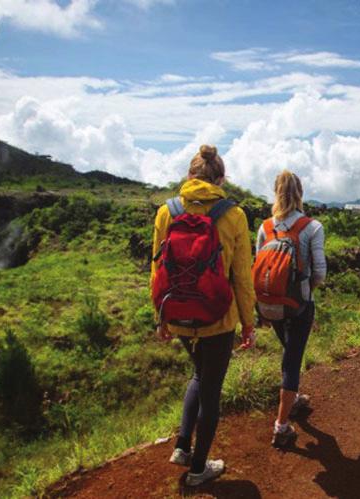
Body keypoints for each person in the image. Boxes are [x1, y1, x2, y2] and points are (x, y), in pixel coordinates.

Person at [151, 145, 256, 486]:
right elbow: (242, 276)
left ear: (189, 176)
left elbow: (156, 272)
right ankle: (198, 470)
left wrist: (161, 318)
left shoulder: (166, 212)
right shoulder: (234, 215)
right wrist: (248, 323)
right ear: (221, 179)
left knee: (199, 374)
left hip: (179, 315)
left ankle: (182, 446)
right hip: (218, 319)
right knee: (211, 390)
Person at [255, 170, 326, 448]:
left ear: (276, 192)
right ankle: (282, 425)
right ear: (300, 193)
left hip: (269, 305)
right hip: (298, 306)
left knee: (288, 350)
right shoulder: (312, 227)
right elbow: (319, 272)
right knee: (292, 361)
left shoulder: (264, 227)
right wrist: (305, 291)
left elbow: (258, 267)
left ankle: (293, 398)